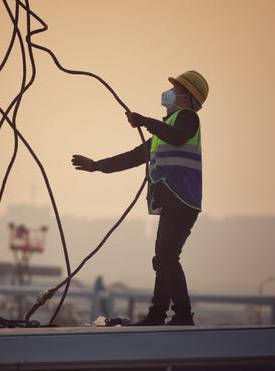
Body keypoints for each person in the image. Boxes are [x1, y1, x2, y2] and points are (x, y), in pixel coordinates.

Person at [72, 70, 208, 326]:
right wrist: (96, 166)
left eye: (177, 90)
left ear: (188, 98)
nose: (171, 93)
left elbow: (177, 137)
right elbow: (135, 156)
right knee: (163, 257)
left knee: (166, 257)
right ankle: (158, 315)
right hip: (174, 201)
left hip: (183, 199)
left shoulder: (188, 119)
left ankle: (181, 315)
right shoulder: (164, 131)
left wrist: (144, 120)